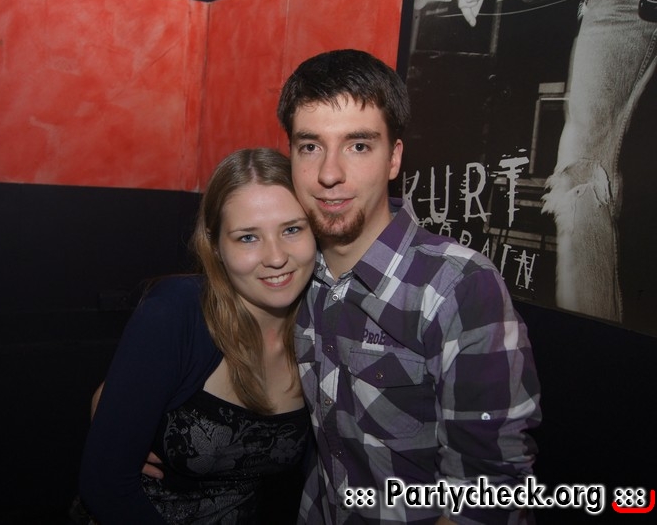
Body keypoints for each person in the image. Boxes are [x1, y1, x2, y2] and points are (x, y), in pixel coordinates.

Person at [276, 49, 542, 524]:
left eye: (359, 146)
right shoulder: (293, 274)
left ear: (394, 158)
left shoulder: (458, 287)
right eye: (310, 146)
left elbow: (487, 495)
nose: (330, 173)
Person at [77, 147, 316, 524]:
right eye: (247, 237)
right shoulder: (177, 312)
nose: (275, 257)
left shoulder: (327, 326)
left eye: (291, 229)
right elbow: (106, 485)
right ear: (215, 245)